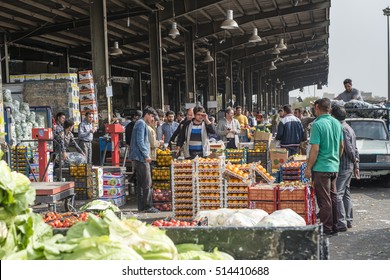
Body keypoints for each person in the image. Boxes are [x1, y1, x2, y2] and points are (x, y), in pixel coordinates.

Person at [304, 98, 344, 236]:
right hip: (334, 167)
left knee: (324, 199)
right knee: (333, 197)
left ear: (317, 107)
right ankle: (335, 226)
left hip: (321, 168)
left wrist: (308, 168)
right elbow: (342, 146)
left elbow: (315, 149)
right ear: (330, 109)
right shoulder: (337, 123)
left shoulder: (318, 124)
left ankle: (327, 228)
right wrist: (336, 160)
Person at [331, 105, 360, 232]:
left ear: (333, 115)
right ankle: (348, 220)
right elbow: (355, 148)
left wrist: (354, 161)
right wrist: (356, 164)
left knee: (338, 194)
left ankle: (341, 222)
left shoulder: (341, 128)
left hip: (343, 166)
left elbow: (348, 149)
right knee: (346, 194)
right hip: (348, 166)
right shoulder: (349, 128)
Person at [129, 106, 159, 213]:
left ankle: (141, 207)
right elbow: (140, 141)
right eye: (151, 116)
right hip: (140, 157)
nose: (152, 119)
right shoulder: (141, 124)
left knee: (141, 183)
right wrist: (146, 155)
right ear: (146, 114)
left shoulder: (141, 124)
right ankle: (148, 206)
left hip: (138, 157)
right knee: (147, 183)